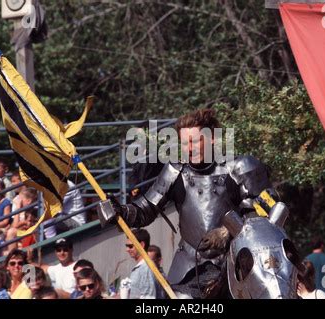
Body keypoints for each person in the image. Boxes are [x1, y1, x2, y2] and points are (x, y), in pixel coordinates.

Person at [100, 108, 273, 298]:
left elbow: (270, 210)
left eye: (195, 141)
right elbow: (145, 209)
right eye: (184, 143)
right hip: (190, 266)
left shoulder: (242, 166)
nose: (189, 148)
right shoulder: (175, 171)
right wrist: (119, 211)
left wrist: (228, 231)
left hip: (238, 262)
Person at [120, 228, 164, 299]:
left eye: (130, 246)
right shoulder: (142, 267)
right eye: (126, 246)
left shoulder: (146, 268)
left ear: (141, 245)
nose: (127, 250)